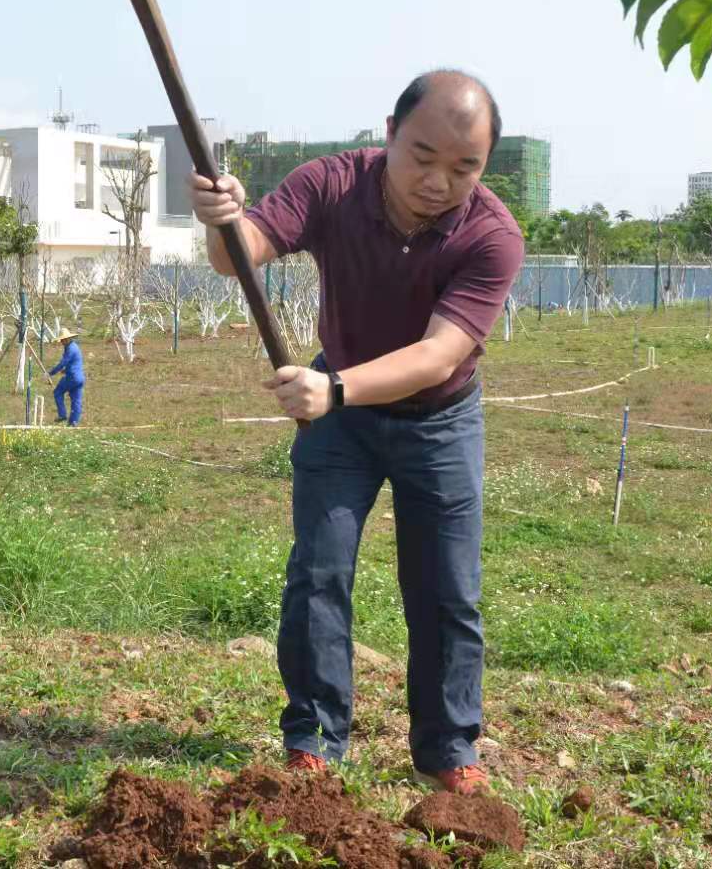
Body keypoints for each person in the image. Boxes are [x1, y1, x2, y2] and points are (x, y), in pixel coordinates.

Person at [190, 69, 524, 795]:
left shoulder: (493, 236)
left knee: (445, 588)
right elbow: (234, 256)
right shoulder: (330, 184)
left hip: (438, 419)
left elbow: (439, 354)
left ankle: (448, 750)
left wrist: (334, 389)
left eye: (464, 167)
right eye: (423, 156)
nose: (440, 181)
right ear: (389, 134)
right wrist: (221, 219)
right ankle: (314, 740)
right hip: (339, 420)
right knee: (320, 569)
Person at [49, 329, 85, 426]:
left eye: (62, 340)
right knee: (76, 400)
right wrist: (66, 370)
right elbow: (74, 362)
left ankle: (62, 414)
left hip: (72, 377)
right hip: (80, 377)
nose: (61, 342)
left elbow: (63, 363)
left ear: (68, 339)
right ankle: (73, 422)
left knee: (58, 392)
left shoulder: (70, 349)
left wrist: (51, 373)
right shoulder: (74, 347)